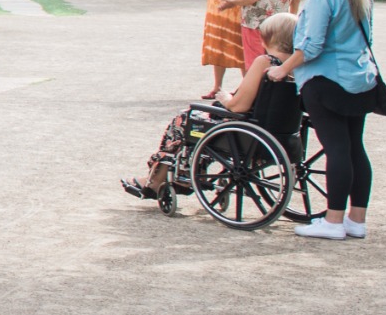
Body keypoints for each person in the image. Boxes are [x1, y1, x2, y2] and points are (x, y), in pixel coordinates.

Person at [123, 12, 302, 209]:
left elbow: (238, 106)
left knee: (183, 120)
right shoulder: (297, 66)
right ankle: (182, 177)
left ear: (268, 37)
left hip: (244, 130)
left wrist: (225, 97)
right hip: (279, 134)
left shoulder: (266, 62)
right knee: (200, 122)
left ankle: (155, 180)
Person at [277, 0, 385, 242]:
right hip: (360, 79)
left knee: (336, 149)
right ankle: (356, 219)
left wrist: (282, 69)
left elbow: (311, 45)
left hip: (326, 82)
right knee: (355, 148)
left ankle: (333, 220)